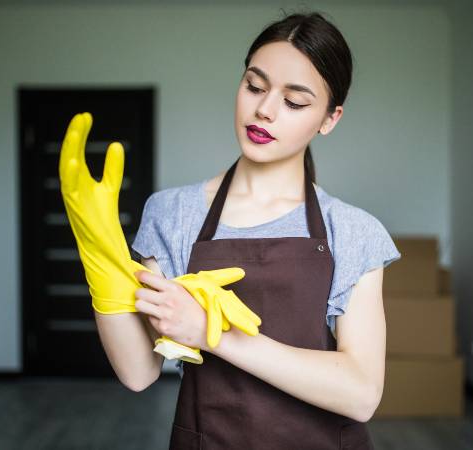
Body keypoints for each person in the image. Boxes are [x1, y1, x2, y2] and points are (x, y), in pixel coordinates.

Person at [127, 11, 401, 450]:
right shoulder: (172, 213)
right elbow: (138, 372)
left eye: (294, 102)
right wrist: (95, 247)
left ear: (329, 119)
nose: (264, 110)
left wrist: (212, 334)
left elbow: (362, 393)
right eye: (255, 86)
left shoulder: (352, 230)